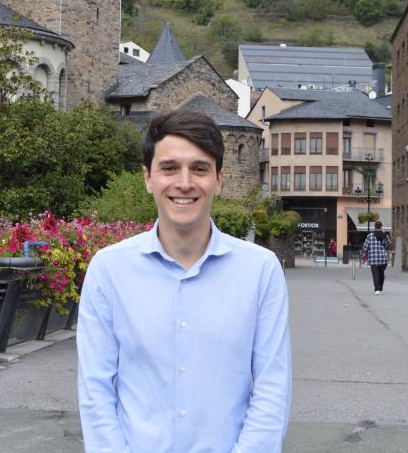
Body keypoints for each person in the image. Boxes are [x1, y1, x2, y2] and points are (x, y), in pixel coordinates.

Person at [77, 109, 292, 452]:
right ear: (148, 178)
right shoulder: (109, 271)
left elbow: (272, 388)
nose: (185, 182)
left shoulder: (260, 271)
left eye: (200, 168)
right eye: (170, 168)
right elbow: (95, 391)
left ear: (219, 180)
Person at [361, 221, 391, 295]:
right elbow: (389, 244)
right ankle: (380, 288)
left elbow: (365, 246)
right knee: (381, 273)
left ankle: (377, 289)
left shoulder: (370, 236)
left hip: (373, 258)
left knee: (375, 274)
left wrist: (364, 253)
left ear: (374, 227)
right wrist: (384, 247)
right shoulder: (385, 235)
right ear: (381, 227)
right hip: (382, 258)